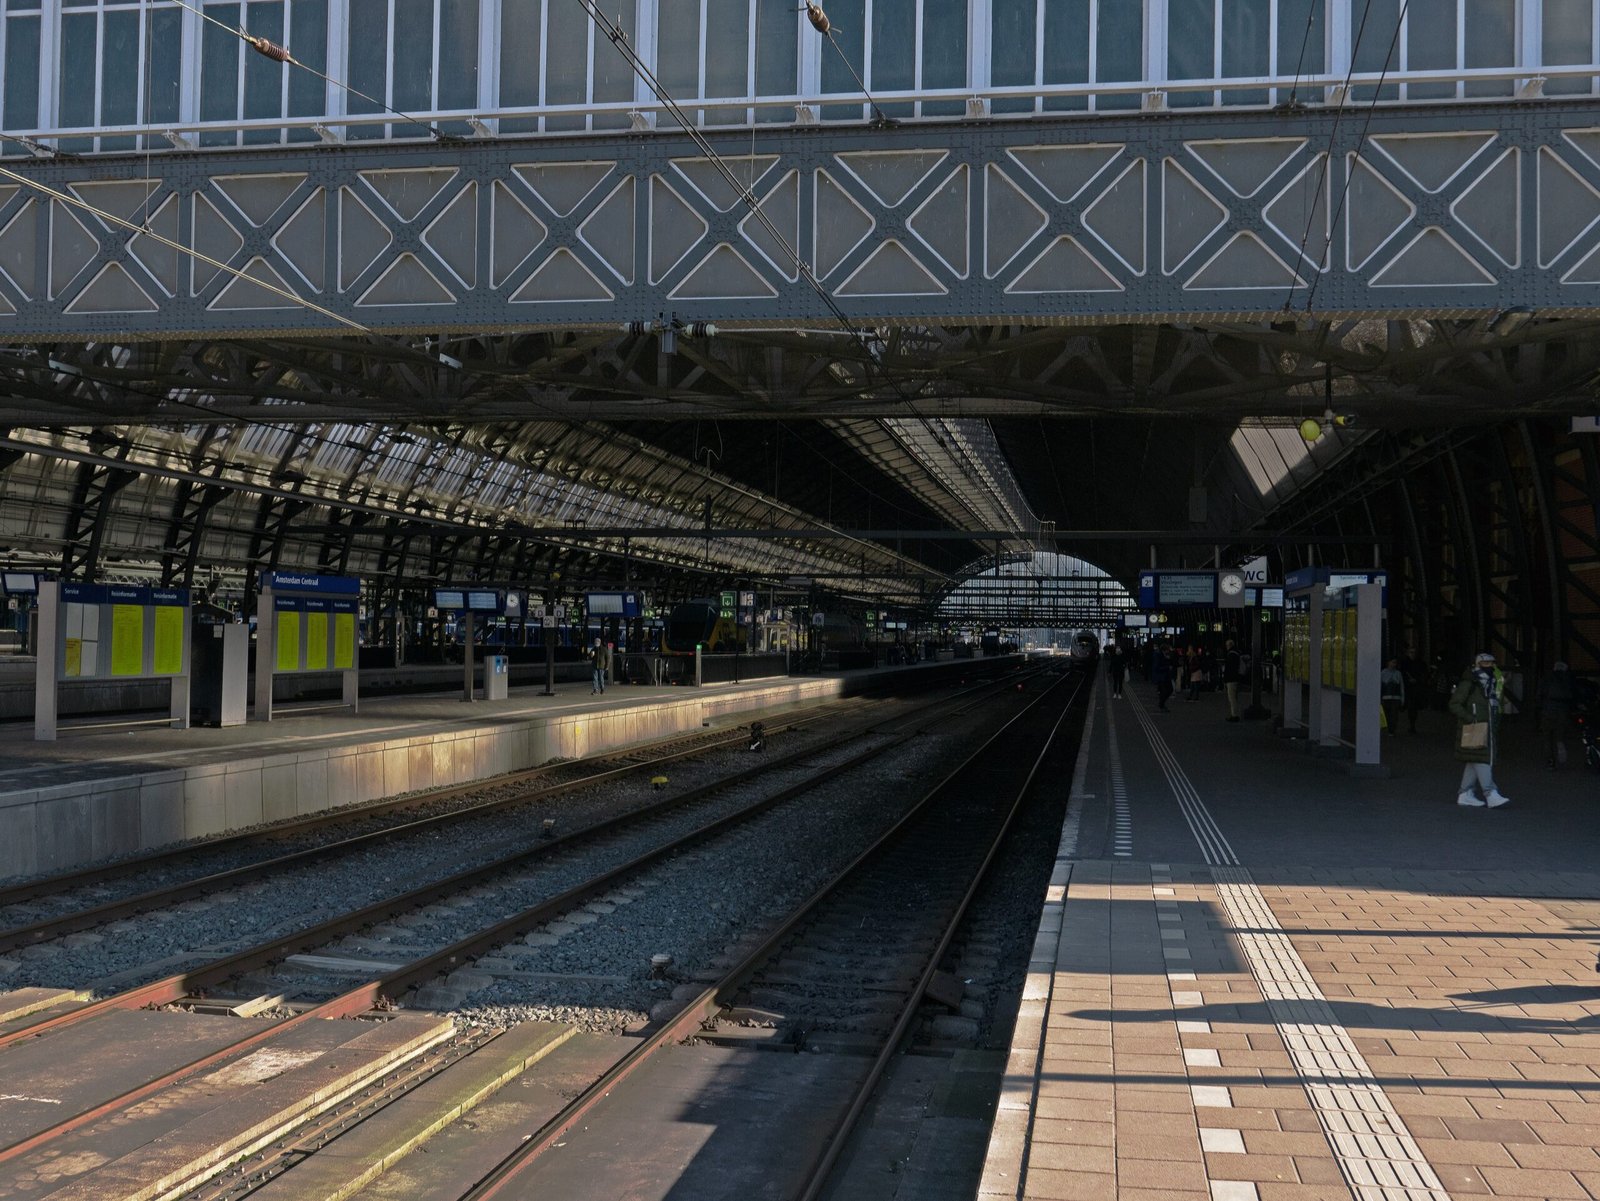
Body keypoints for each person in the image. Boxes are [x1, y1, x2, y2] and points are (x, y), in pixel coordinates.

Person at [1449, 651, 1511, 807]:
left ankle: (1465, 793)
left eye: (1491, 663)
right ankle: (1490, 793)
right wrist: (1471, 718)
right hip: (1475, 727)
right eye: (1485, 663)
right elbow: (1454, 704)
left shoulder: (1491, 683)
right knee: (1481, 759)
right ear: (1477, 664)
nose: (1489, 666)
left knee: (1474, 759)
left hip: (1483, 727)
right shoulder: (1469, 683)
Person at [1536, 660, 1578, 769]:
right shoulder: (1569, 679)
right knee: (1560, 732)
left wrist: (1540, 707)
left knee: (1547, 736)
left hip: (1548, 709)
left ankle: (1550, 761)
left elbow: (1539, 694)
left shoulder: (1547, 678)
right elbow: (1574, 695)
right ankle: (1560, 743)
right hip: (1563, 710)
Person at [1380, 658, 1406, 736]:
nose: (1394, 664)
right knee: (1389, 714)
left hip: (1393, 697)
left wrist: (1402, 698)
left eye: (1395, 663)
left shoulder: (1397, 673)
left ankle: (1391, 730)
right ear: (1388, 663)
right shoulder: (1384, 673)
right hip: (1389, 697)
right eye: (1393, 662)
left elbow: (1401, 686)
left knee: (1393, 715)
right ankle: (1390, 729)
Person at [1222, 639, 1243, 721]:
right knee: (1234, 697)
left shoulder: (1230, 655)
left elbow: (1228, 669)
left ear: (1229, 645)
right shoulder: (1237, 653)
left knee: (1232, 698)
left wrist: (1225, 679)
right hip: (1236, 678)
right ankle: (1234, 714)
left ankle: (1234, 715)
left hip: (1231, 679)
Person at [1153, 644, 1174, 712]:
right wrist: (1167, 667)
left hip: (1165, 676)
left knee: (1168, 690)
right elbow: (1157, 667)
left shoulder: (1164, 656)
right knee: (1165, 691)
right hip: (1162, 677)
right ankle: (1161, 704)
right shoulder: (1159, 655)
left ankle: (1161, 704)